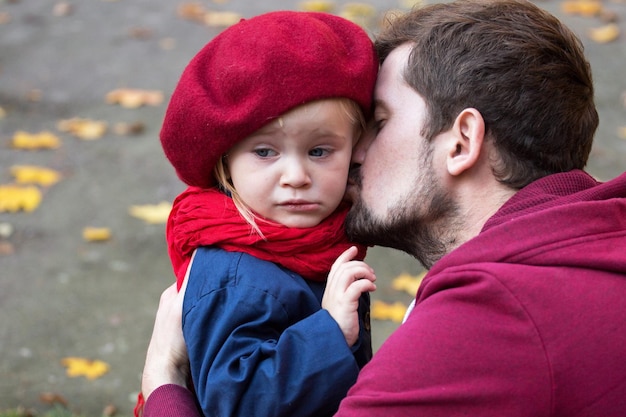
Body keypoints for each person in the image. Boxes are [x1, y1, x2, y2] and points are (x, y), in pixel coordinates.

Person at [140, 0, 626, 416]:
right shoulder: (594, 241)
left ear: (461, 142)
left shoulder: (485, 321)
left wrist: (164, 381)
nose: (353, 155)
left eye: (379, 121)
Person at [134, 10, 379, 417]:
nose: (297, 176)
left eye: (320, 151)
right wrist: (330, 332)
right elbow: (238, 404)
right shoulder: (238, 278)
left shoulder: (313, 242)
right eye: (265, 152)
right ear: (225, 162)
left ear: (354, 149)